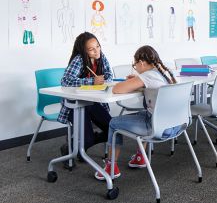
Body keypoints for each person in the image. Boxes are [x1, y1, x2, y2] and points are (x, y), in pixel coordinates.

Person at [95, 45, 179, 180]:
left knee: (113, 122)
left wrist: (136, 80)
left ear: (141, 63)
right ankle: (140, 158)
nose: (136, 68)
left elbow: (117, 89)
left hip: (157, 128)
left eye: (135, 65)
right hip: (175, 124)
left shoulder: (148, 75)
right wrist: (137, 79)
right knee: (142, 114)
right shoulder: (165, 72)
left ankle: (111, 167)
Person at [57, 32, 113, 164]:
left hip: (92, 102)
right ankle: (74, 146)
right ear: (84, 51)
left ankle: (78, 144)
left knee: (113, 128)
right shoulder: (79, 59)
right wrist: (91, 81)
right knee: (86, 139)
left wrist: (105, 80)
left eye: (98, 46)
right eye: (91, 49)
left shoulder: (101, 57)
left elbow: (109, 75)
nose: (96, 51)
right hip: (75, 104)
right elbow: (66, 81)